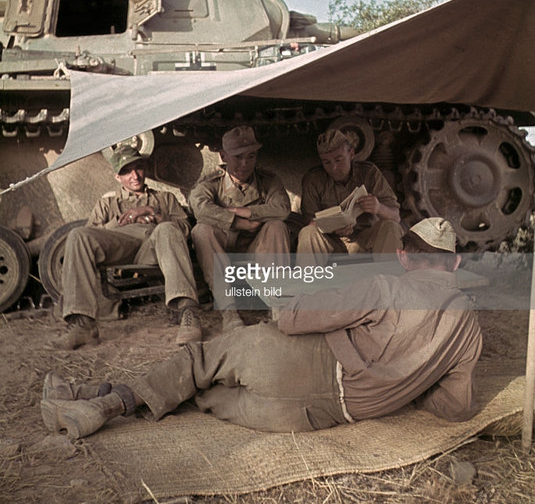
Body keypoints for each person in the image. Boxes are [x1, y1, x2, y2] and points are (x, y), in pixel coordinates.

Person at [40, 218, 482, 440]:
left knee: (199, 362)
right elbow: (456, 408)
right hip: (313, 418)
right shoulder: (470, 328)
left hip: (298, 366)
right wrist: (412, 382)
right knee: (200, 393)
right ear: (457, 263)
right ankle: (84, 399)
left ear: (404, 257)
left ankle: (104, 404)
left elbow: (290, 319)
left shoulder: (385, 286)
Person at [56, 146, 201, 349]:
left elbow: (185, 228)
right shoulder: (107, 203)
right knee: (77, 235)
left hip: (153, 246)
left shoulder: (164, 198)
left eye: (138, 168)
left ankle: (188, 312)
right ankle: (83, 325)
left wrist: (155, 215)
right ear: (117, 177)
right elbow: (91, 237)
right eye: (126, 171)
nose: (135, 176)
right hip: (119, 247)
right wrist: (119, 222)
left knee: (168, 228)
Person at [189, 126, 291, 330]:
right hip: (222, 249)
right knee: (201, 230)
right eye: (238, 157)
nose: (245, 164)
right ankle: (229, 312)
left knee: (277, 226)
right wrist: (238, 222)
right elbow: (200, 208)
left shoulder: (268, 181)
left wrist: (246, 212)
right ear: (223, 156)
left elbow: (283, 209)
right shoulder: (212, 182)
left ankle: (280, 307)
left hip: (257, 248)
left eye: (251, 156)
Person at [297, 129, 403, 259]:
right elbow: (309, 222)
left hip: (364, 238)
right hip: (330, 241)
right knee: (308, 233)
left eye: (339, 160)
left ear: (351, 153)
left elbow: (395, 217)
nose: (334, 167)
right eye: (327, 162)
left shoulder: (369, 173)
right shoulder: (313, 179)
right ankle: (308, 279)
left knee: (390, 226)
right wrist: (333, 228)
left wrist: (379, 208)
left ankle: (390, 279)